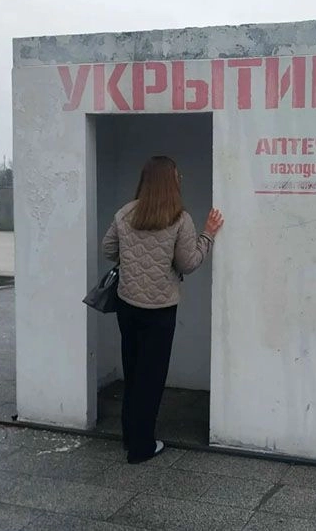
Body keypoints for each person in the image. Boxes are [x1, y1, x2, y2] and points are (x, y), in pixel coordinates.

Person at [101, 156, 223, 464]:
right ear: (172, 182)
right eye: (178, 176)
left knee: (133, 371)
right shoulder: (180, 219)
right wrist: (208, 235)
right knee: (151, 378)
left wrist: (132, 258)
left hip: (127, 305)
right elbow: (188, 263)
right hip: (159, 310)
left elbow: (108, 249)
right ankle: (142, 446)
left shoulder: (125, 213)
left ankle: (130, 436)